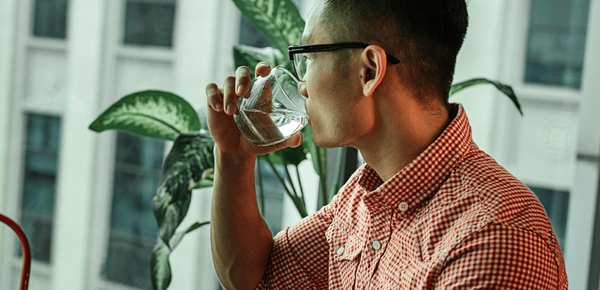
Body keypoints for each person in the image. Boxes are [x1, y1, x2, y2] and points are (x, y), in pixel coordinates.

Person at [205, 0, 568, 289]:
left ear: (369, 71)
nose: (301, 85)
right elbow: (253, 278)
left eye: (309, 58)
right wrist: (234, 157)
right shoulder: (365, 196)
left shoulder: (495, 239)